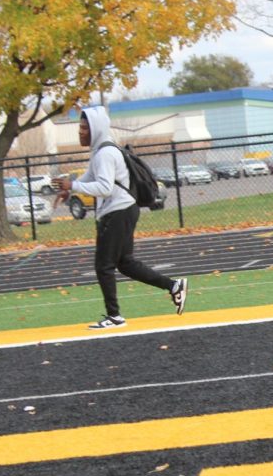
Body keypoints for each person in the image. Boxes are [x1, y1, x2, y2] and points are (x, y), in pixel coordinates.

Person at [52, 106, 187, 329]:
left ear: (95, 129)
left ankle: (114, 316)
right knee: (125, 263)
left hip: (119, 211)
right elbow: (90, 177)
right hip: (121, 210)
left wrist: (73, 184)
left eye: (85, 128)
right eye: (80, 127)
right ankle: (174, 286)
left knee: (104, 265)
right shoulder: (100, 151)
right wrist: (71, 189)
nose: (80, 132)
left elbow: (104, 187)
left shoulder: (105, 153)